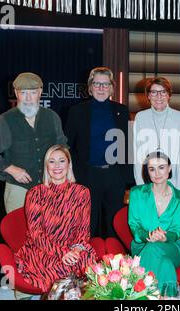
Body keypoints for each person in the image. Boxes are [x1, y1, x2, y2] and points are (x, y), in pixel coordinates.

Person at [0, 72, 67, 213]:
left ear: (40, 92)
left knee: (51, 231)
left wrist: (62, 171)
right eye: (23, 92)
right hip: (19, 189)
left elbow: (62, 146)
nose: (28, 98)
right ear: (16, 93)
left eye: (32, 92)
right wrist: (11, 169)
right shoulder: (5, 120)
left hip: (50, 186)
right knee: (18, 232)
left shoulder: (52, 117)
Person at [14, 144, 97, 293]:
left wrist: (77, 250)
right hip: (43, 249)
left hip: (74, 247)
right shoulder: (35, 193)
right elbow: (36, 234)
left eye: (61, 161)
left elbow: (83, 230)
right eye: (51, 161)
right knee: (61, 270)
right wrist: (62, 253)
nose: (57, 166)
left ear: (69, 164)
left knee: (88, 263)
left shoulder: (82, 192)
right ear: (46, 166)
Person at [65, 67, 132, 238]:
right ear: (90, 87)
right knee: (87, 224)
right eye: (97, 84)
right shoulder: (76, 111)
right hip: (87, 175)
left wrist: (126, 178)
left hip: (114, 175)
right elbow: (67, 146)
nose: (101, 88)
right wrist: (72, 175)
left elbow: (127, 146)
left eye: (106, 84)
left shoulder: (122, 111)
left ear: (111, 88)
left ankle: (114, 262)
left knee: (114, 225)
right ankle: (88, 262)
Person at [128, 151, 180, 296]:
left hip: (171, 247)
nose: (157, 173)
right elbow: (134, 226)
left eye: (161, 167)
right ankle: (169, 298)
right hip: (142, 245)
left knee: (155, 248)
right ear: (147, 171)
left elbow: (176, 231)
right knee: (165, 264)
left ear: (169, 168)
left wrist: (164, 238)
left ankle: (139, 295)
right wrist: (148, 235)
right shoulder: (136, 193)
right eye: (152, 169)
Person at [133, 76, 180, 193]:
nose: (159, 96)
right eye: (154, 92)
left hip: (173, 182)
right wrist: (140, 185)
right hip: (148, 182)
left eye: (163, 92)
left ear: (169, 95)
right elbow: (137, 155)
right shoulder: (141, 117)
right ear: (148, 96)